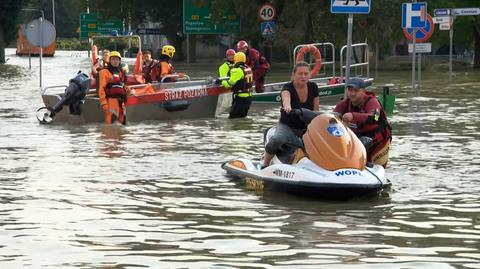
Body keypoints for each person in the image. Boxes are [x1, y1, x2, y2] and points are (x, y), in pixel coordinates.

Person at [261, 61, 319, 167]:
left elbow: (315, 111)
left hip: (307, 129)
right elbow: (286, 97)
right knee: (278, 139)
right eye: (300, 74)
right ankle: (265, 164)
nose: (303, 76)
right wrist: (287, 106)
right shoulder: (287, 87)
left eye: (306, 74)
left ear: (310, 75)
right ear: (293, 75)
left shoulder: (313, 87)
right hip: (288, 127)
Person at [333, 77, 392, 167]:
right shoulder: (343, 103)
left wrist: (354, 116)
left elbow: (375, 118)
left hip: (377, 140)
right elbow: (332, 118)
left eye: (355, 91)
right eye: (350, 90)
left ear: (363, 91)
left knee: (378, 165)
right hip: (357, 137)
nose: (352, 94)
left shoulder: (373, 102)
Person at [98, 51, 128, 125]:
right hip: (111, 101)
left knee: (123, 124)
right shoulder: (104, 72)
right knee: (112, 123)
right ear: (109, 60)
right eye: (113, 59)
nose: (115, 61)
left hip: (121, 102)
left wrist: (128, 91)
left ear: (119, 61)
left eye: (117, 59)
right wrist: (103, 102)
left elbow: (123, 86)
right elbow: (101, 88)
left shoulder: (121, 72)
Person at [221, 52, 254, 118]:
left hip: (241, 98)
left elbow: (229, 84)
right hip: (249, 98)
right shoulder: (248, 68)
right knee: (242, 118)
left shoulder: (237, 70)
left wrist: (222, 81)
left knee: (233, 119)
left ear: (236, 59)